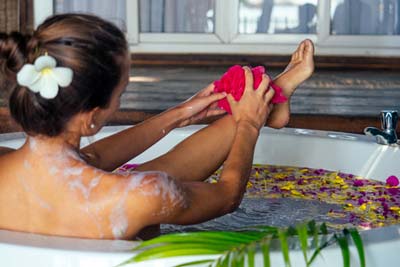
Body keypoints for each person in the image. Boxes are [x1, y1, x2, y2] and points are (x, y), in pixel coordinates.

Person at [0, 14, 314, 240]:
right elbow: (226, 196)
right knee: (150, 184)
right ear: (91, 117)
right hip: (118, 209)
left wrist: (180, 115)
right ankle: (267, 101)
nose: (120, 100)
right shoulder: (139, 196)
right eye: (120, 94)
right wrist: (248, 125)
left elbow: (84, 162)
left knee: (128, 183)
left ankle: (270, 97)